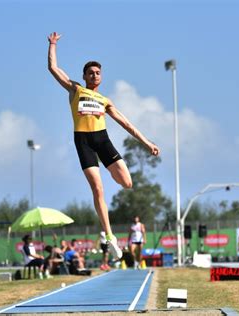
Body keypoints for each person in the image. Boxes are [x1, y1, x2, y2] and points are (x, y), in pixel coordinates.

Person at [47, 32, 160, 260]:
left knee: (127, 183)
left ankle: (108, 170)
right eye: (91, 73)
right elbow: (53, 68)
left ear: (101, 77)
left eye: (98, 73)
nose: (94, 75)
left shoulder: (105, 101)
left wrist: (147, 143)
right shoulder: (75, 90)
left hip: (103, 140)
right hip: (84, 142)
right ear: (84, 76)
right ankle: (110, 235)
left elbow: (126, 123)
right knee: (98, 189)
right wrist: (52, 45)